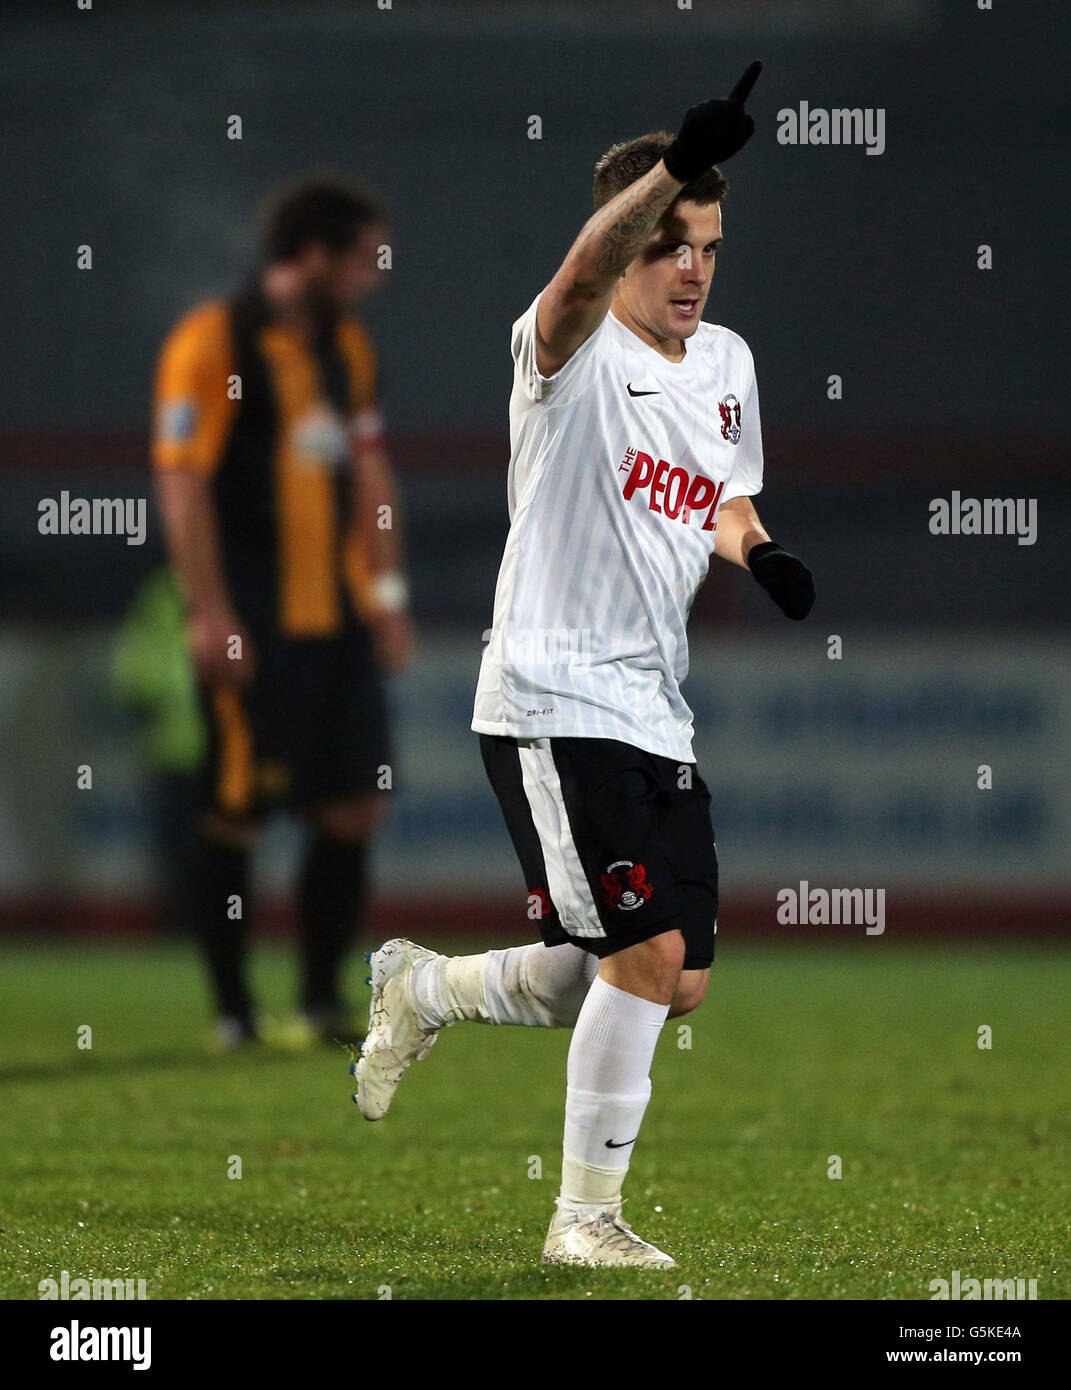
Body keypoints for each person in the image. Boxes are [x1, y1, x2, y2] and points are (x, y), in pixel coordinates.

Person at [354, 65, 814, 1266]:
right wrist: (660, 174)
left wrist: (758, 554)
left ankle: (427, 989)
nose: (693, 268)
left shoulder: (727, 366)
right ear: (627, 246)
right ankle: (582, 1220)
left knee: (673, 978)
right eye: (669, 242)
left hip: (655, 706)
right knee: (644, 957)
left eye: (708, 244)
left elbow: (724, 495)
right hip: (553, 694)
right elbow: (570, 283)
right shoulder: (563, 351)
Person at [153, 175, 414, 1046]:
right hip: (253, 612)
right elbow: (183, 481)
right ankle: (233, 1012)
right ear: (313, 255)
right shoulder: (214, 340)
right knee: (235, 809)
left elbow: (369, 475)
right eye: (366, 258)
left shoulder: (348, 347)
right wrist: (209, 611)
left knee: (352, 806)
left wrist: (385, 597)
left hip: (335, 619)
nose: (375, 276)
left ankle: (318, 1001)